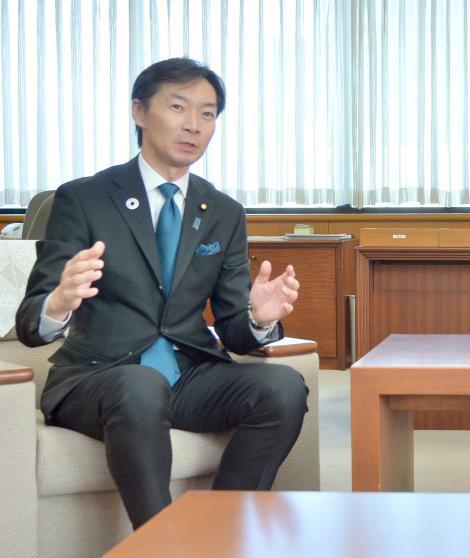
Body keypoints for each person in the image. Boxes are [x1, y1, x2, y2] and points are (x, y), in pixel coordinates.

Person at [16, 57, 308, 529]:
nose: (194, 125)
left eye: (207, 114)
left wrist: (258, 317)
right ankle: (159, 544)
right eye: (178, 107)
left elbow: (235, 333)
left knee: (283, 387)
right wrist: (59, 303)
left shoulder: (223, 212)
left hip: (188, 376)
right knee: (141, 384)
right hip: (98, 377)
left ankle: (220, 532)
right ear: (139, 111)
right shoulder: (84, 198)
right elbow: (31, 324)